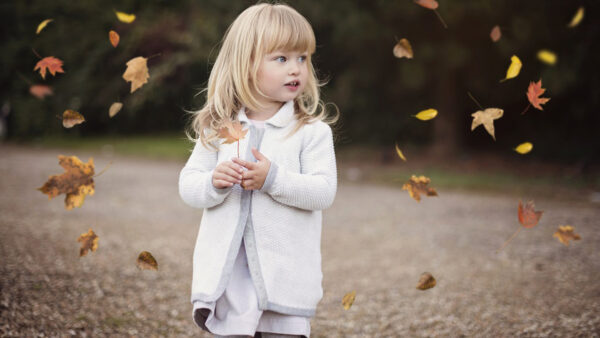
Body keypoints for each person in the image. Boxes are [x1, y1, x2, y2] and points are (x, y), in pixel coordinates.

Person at [178, 3, 339, 338]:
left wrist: (274, 179)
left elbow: (323, 191)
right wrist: (213, 182)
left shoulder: (310, 132)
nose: (295, 69)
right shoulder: (221, 128)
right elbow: (189, 185)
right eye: (281, 58)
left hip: (285, 274)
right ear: (246, 64)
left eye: (303, 58)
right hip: (230, 277)